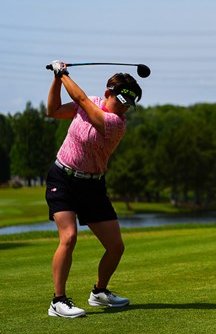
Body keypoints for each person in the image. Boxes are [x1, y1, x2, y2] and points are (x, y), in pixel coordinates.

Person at [45, 61, 142, 318]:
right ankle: (58, 301)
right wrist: (57, 79)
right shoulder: (92, 101)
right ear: (108, 92)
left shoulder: (115, 123)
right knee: (69, 237)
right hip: (62, 178)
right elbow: (53, 110)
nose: (123, 109)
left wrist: (62, 73)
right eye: (120, 101)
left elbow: (80, 99)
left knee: (116, 246)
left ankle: (99, 292)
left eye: (127, 106)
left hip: (93, 186)